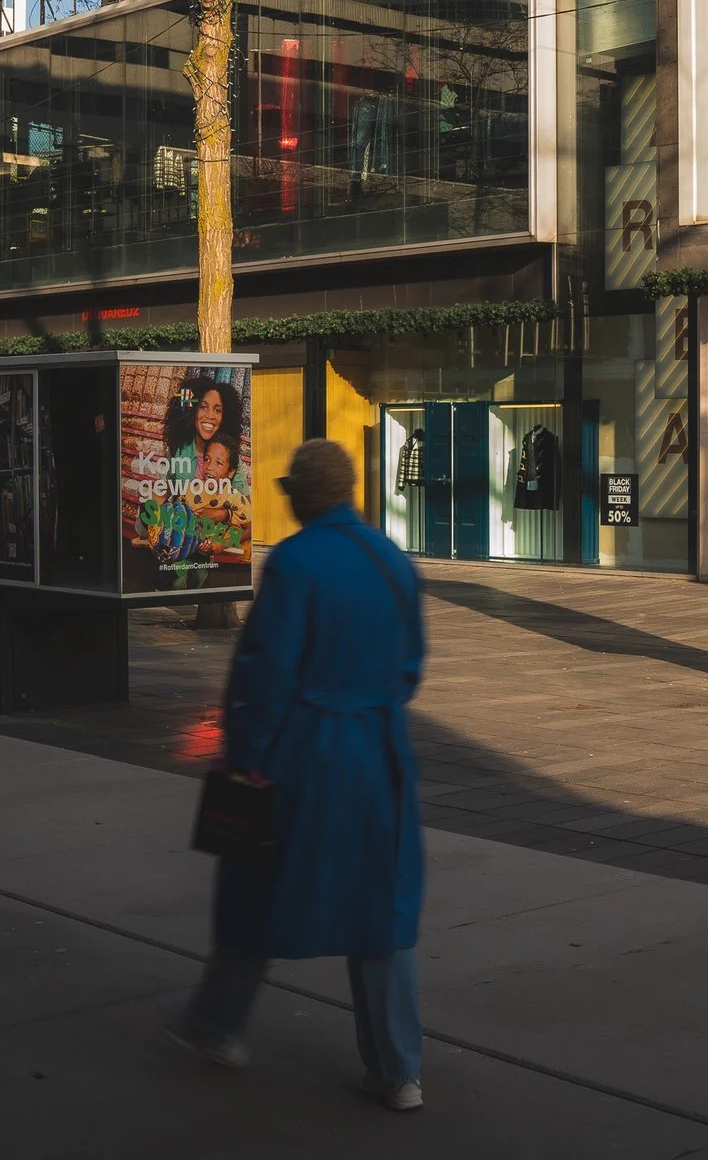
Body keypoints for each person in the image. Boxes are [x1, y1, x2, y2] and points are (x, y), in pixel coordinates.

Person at [164, 439, 428, 1113]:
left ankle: (217, 1022)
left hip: (305, 753)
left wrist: (244, 755)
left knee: (258, 885)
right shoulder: (392, 560)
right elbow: (411, 666)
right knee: (379, 907)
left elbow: (263, 675)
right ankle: (398, 1070)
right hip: (379, 753)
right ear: (349, 491)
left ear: (297, 495)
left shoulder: (295, 562)